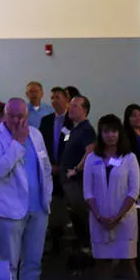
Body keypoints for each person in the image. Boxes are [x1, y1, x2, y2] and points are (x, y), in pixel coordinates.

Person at [0, 98, 56, 280]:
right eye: (13, 116)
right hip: (9, 210)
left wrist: (48, 196)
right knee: (9, 265)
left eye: (21, 116)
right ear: (4, 115)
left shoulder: (35, 134)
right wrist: (17, 142)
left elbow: (45, 167)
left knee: (33, 262)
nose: (17, 120)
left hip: (38, 208)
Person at [82, 114, 140, 277]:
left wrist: (117, 217)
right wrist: (99, 217)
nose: (110, 135)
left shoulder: (130, 158)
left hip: (124, 220)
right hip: (98, 219)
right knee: (102, 266)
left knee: (128, 265)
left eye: (114, 131)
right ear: (100, 134)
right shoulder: (92, 158)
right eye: (106, 132)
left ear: (119, 133)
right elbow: (87, 191)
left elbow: (134, 191)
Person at [57, 94, 98, 266]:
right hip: (68, 183)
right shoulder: (74, 129)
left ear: (85, 110)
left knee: (83, 215)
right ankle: (83, 249)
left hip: (77, 183)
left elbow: (90, 151)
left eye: (75, 106)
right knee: (75, 215)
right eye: (70, 105)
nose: (70, 109)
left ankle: (90, 250)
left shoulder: (87, 130)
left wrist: (76, 170)